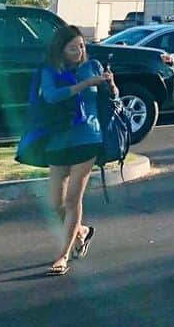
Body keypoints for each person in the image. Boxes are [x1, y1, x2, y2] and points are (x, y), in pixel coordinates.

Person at [40, 25, 117, 276]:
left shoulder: (92, 65)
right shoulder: (51, 71)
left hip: (88, 138)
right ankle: (81, 231)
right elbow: (51, 97)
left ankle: (63, 254)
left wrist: (111, 85)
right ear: (60, 49)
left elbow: (113, 98)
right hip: (58, 140)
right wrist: (84, 85)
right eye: (73, 47)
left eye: (82, 46)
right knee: (55, 203)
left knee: (73, 199)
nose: (79, 51)